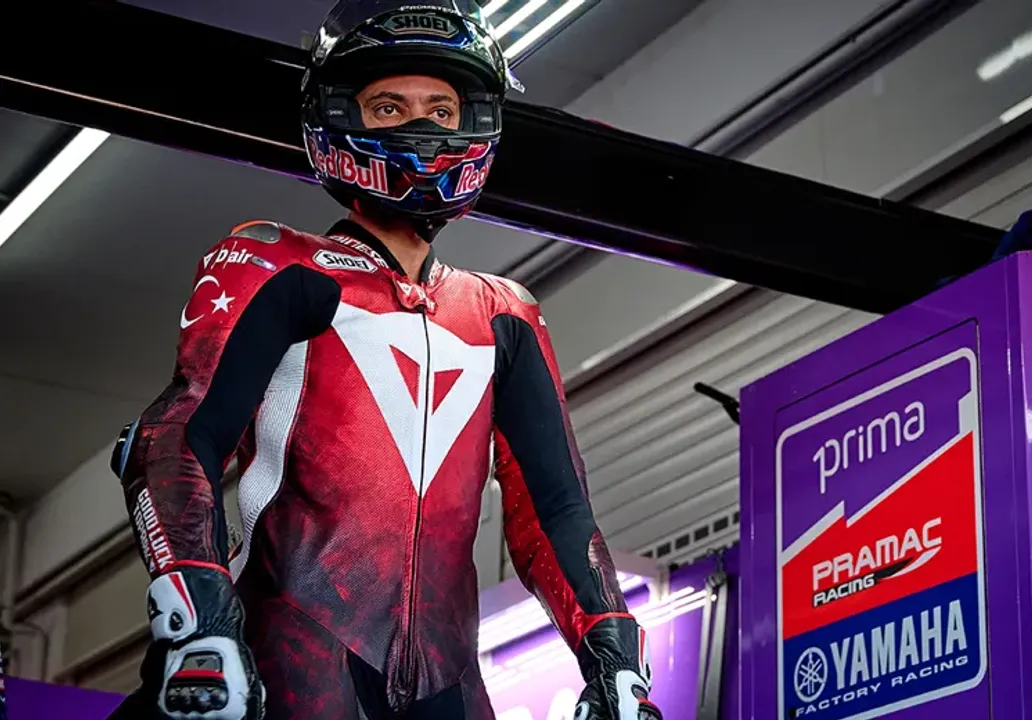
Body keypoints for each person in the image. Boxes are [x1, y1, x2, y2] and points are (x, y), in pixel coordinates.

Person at [106, 1, 661, 718]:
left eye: (442, 109)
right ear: (339, 118)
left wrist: (614, 655)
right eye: (390, 107)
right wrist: (198, 617)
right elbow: (180, 435)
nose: (423, 129)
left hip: (448, 685)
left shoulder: (504, 313)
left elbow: (555, 509)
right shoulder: (278, 263)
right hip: (284, 659)